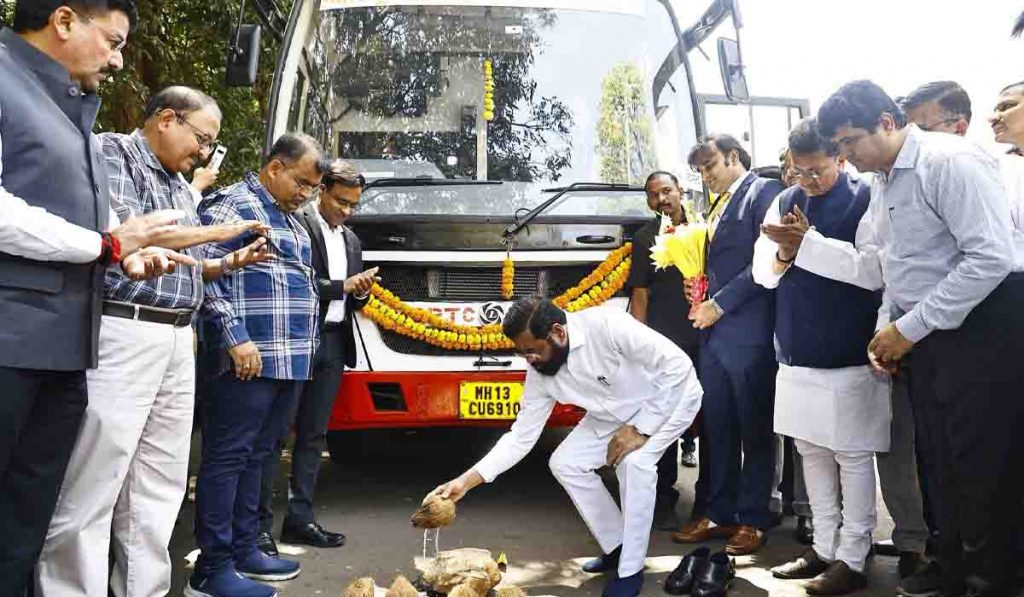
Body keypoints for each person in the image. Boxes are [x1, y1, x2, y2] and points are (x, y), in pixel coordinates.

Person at [34, 86, 272, 597]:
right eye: (202, 139)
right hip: (124, 330)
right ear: (167, 119)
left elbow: (176, 267)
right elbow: (132, 241)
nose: (205, 154)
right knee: (93, 483)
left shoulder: (175, 182)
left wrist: (225, 264)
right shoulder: (112, 154)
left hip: (174, 338)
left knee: (158, 488)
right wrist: (220, 231)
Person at [0, 2, 204, 592]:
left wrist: (127, 250)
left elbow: (91, 220)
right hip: (12, 341)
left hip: (65, 349)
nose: (117, 60)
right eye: (111, 41)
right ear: (64, 21)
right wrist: (105, 244)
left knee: (24, 521)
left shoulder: (71, 110)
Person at [796, 79, 1023, 596]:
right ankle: (949, 567)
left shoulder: (950, 162)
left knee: (980, 465)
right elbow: (896, 267)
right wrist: (887, 330)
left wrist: (909, 327)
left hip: (980, 331)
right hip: (927, 336)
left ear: (887, 122)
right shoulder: (885, 180)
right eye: (840, 148)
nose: (847, 157)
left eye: (851, 142)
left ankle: (989, 580)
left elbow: (990, 258)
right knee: (936, 461)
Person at [432, 297, 703, 597]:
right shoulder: (539, 372)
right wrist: (465, 482)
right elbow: (521, 436)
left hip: (668, 400)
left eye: (533, 350)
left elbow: (678, 367)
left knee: (633, 464)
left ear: (558, 332)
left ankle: (631, 570)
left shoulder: (608, 325)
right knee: (565, 462)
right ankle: (617, 546)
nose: (529, 360)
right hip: (611, 416)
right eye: (521, 353)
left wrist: (640, 429)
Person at [755, 117, 891, 595]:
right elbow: (764, 274)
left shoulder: (866, 196)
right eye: (799, 172)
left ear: (841, 157)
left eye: (817, 171)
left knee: (852, 455)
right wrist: (787, 255)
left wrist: (808, 245)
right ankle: (825, 546)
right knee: (809, 449)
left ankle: (854, 557)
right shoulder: (785, 198)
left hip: (849, 350)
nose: (808, 182)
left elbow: (872, 271)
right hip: (795, 347)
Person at [190, 133, 328, 597]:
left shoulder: (292, 219)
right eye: (303, 183)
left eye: (313, 188)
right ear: (274, 168)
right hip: (247, 358)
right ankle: (212, 567)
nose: (308, 194)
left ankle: (246, 548)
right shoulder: (233, 205)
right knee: (227, 458)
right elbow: (201, 270)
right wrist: (236, 338)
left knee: (261, 456)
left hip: (287, 361)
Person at [257, 159, 377, 554]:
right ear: (321, 190)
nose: (346, 211)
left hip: (332, 344)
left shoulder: (352, 240)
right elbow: (300, 285)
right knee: (273, 436)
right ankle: (257, 526)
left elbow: (355, 297)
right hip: (295, 340)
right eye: (341, 201)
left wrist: (359, 291)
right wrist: (344, 285)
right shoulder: (299, 226)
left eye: (354, 205)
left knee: (313, 437)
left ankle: (300, 520)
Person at [672, 134, 783, 556]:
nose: (705, 176)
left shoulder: (763, 192)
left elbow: (766, 264)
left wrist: (717, 304)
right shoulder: (716, 204)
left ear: (733, 157)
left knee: (754, 429)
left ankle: (752, 519)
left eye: (710, 166)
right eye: (699, 170)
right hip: (713, 336)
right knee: (717, 428)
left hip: (749, 332)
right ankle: (718, 513)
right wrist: (696, 286)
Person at [626, 171, 707, 533]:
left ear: (681, 192)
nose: (661, 199)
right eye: (653, 195)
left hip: (706, 337)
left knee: (709, 419)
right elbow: (639, 294)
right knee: (663, 420)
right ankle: (662, 497)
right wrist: (641, 347)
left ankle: (707, 501)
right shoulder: (644, 238)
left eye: (667, 191)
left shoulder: (705, 229)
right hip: (664, 343)